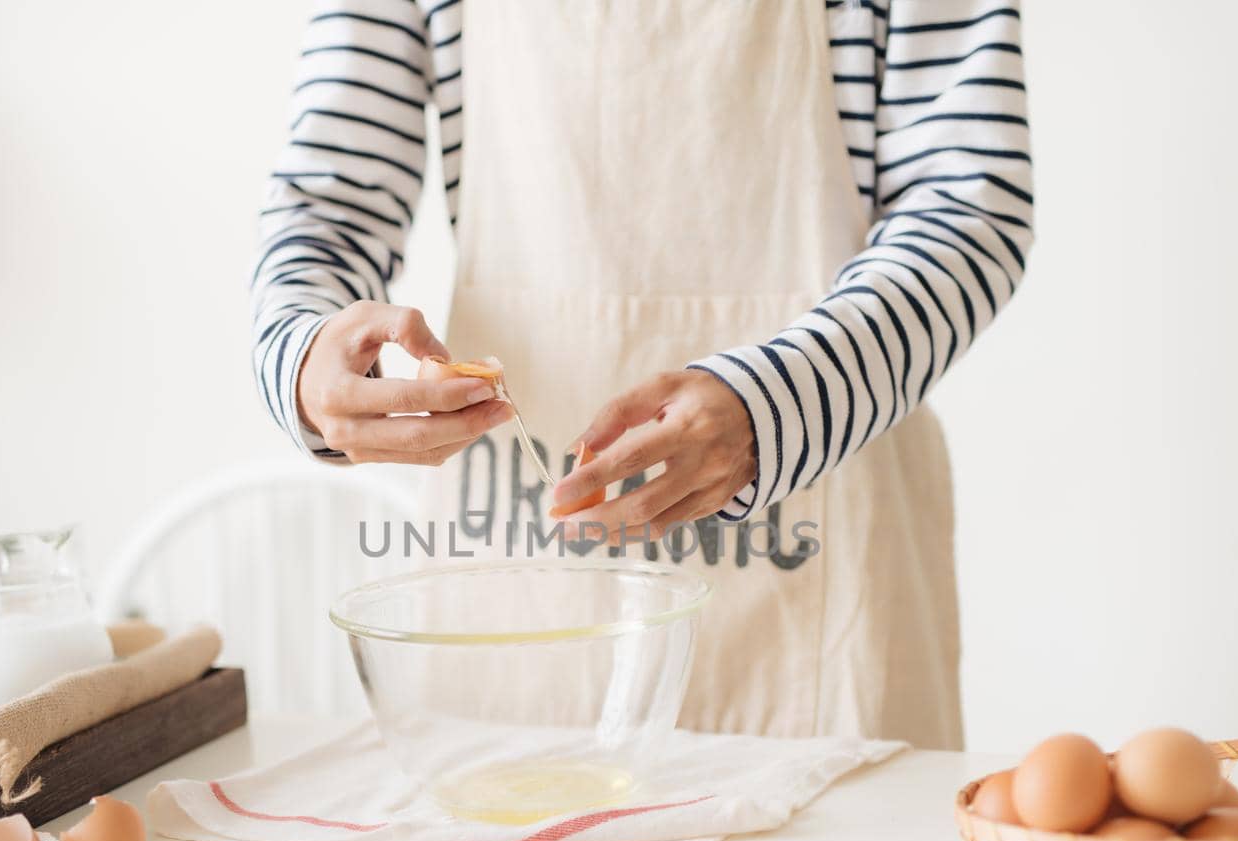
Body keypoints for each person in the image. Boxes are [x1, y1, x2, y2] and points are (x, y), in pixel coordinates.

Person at [251, 0, 1033, 748]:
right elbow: (328, 204)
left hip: (833, 603)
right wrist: (303, 356)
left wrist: (774, 407)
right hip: (517, 625)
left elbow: (970, 208)